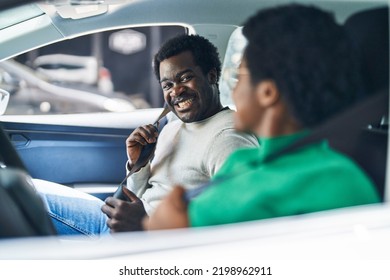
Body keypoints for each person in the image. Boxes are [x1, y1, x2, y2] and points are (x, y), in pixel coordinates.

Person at [143, 4, 381, 230]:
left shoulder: (333, 183)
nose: (233, 88)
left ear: (267, 93)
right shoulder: (246, 161)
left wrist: (171, 227)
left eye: (240, 76)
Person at [33, 34, 258, 235]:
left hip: (149, 246)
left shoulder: (229, 138)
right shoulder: (174, 124)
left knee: (31, 202)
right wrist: (139, 165)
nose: (176, 91)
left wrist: (147, 224)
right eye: (167, 84)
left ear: (211, 76)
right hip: (124, 230)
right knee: (30, 190)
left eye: (185, 78)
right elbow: (140, 196)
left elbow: (239, 226)